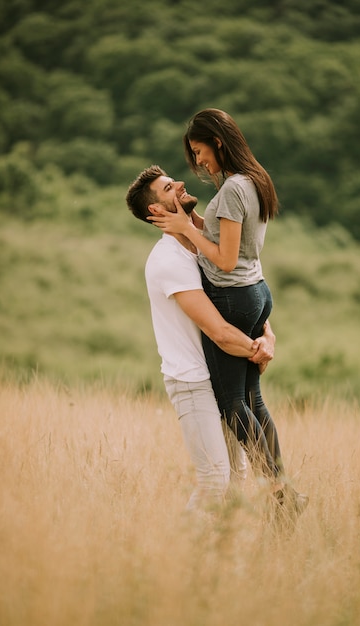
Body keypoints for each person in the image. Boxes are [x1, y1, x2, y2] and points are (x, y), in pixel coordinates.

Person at [147, 109, 308, 514]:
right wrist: (190, 221)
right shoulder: (251, 180)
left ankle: (279, 492)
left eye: (199, 151)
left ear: (218, 142)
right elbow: (219, 231)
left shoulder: (233, 188)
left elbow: (224, 258)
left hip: (234, 296)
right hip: (256, 291)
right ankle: (283, 486)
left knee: (234, 401)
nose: (198, 162)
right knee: (253, 399)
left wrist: (185, 230)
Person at [125, 165, 276, 513]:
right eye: (167, 188)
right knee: (215, 479)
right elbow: (219, 331)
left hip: (222, 376)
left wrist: (267, 334)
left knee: (237, 478)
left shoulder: (203, 242)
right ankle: (181, 557)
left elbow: (247, 290)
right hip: (192, 380)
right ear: (157, 211)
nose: (180, 184)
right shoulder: (168, 261)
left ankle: (219, 563)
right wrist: (257, 351)